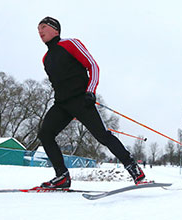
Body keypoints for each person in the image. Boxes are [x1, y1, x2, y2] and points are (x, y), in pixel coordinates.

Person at [36, 16, 145, 188]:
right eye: (38, 29)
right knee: (45, 134)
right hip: (61, 105)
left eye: (43, 27)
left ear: (55, 29)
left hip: (81, 100)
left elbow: (92, 66)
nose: (40, 31)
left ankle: (133, 168)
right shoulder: (46, 59)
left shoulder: (70, 44)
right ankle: (62, 176)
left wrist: (90, 91)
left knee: (102, 136)